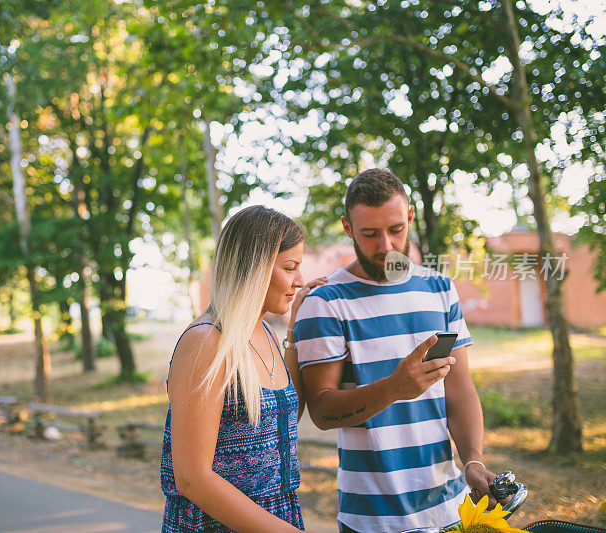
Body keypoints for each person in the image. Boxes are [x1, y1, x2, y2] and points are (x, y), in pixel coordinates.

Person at [291, 169, 499, 533]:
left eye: (396, 230)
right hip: (372, 520)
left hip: (452, 511)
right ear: (347, 227)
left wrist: (473, 462)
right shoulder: (326, 302)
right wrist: (394, 388)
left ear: (411, 218)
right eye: (370, 233)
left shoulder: (439, 288)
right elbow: (322, 412)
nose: (385, 245)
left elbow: (459, 388)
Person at [160, 205, 326, 532]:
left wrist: (294, 329)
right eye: (290, 267)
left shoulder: (264, 331)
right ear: (255, 269)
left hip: (273, 515)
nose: (301, 280)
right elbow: (193, 478)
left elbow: (284, 420)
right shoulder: (206, 342)